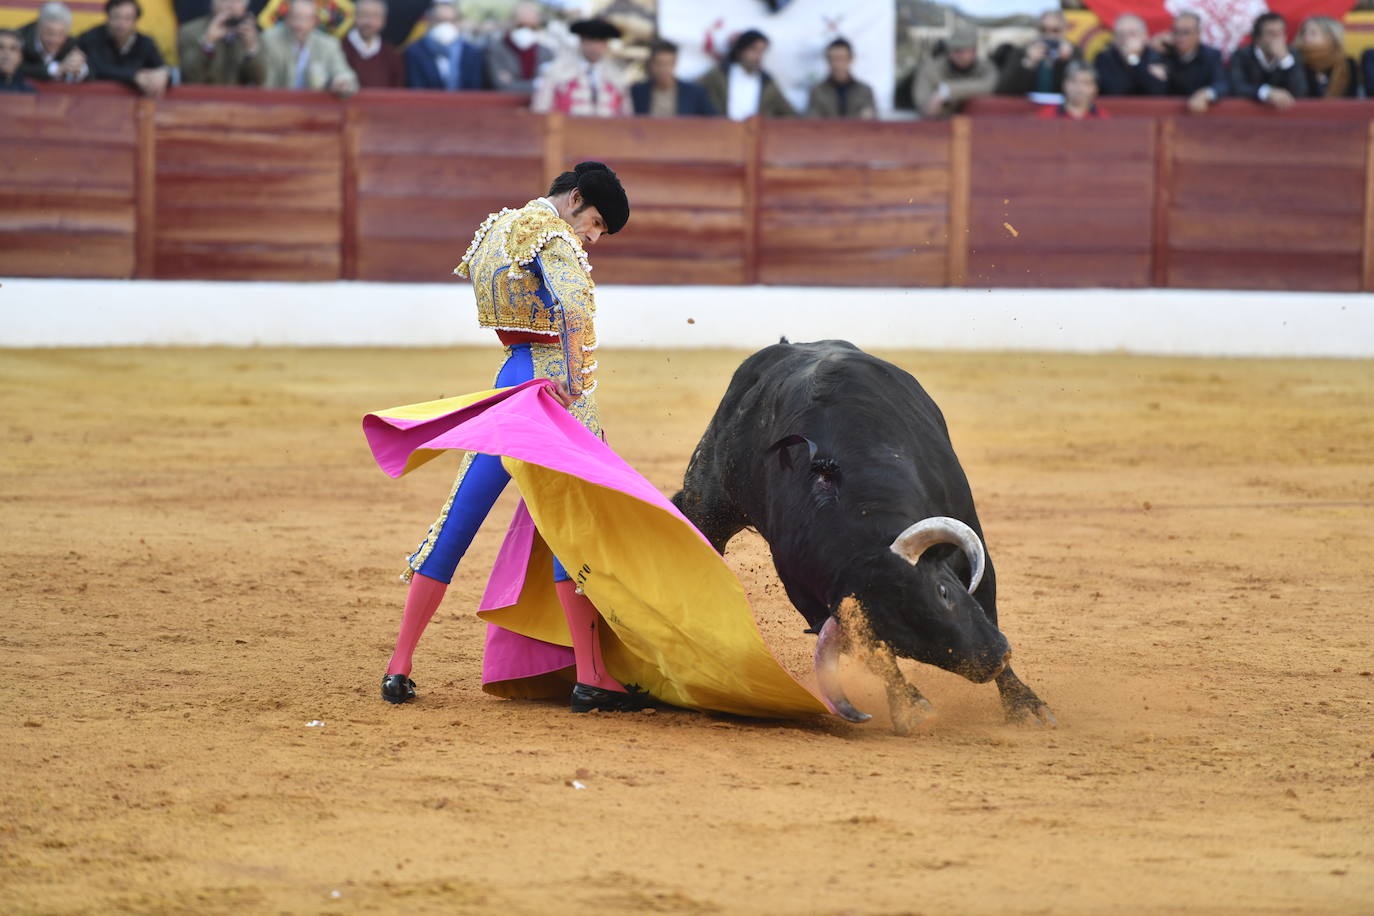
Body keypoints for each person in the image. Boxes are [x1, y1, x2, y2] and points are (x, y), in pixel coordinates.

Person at [381, 161, 646, 714]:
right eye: (594, 223)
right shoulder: (553, 236)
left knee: (458, 518)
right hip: (552, 392)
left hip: (509, 383)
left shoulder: (497, 229)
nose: (591, 239)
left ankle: (399, 664)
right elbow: (574, 309)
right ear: (574, 199)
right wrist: (573, 387)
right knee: (567, 526)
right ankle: (593, 675)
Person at [530, 17, 629, 116]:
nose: (594, 46)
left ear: (606, 44)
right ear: (581, 42)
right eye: (590, 40)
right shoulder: (557, 72)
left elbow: (625, 114)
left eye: (600, 41)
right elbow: (541, 108)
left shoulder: (616, 76)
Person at [260, 0, 358, 95]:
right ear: (287, 18)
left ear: (315, 21)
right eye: (296, 17)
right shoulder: (270, 40)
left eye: (305, 19)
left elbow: (343, 72)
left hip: (315, 108)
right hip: (277, 105)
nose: (299, 24)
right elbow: (265, 83)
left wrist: (342, 82)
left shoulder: (328, 44)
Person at [77, 0, 169, 97]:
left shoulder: (145, 43)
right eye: (116, 17)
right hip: (95, 99)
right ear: (107, 17)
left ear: (135, 21)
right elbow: (98, 68)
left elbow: (161, 69)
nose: (121, 24)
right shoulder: (91, 38)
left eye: (128, 18)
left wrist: (163, 74)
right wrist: (134, 77)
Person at [699, 29, 795, 119]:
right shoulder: (717, 75)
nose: (758, 56)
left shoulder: (767, 82)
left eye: (762, 51)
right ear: (740, 50)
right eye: (753, 50)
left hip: (755, 134)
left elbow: (790, 114)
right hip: (721, 132)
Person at [911, 24, 997, 119]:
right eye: (955, 50)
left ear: (974, 51)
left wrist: (946, 91)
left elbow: (989, 86)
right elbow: (925, 107)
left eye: (964, 50)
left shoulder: (986, 68)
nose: (959, 55)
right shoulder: (931, 69)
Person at [1153, 11, 1228, 113]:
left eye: (1186, 32)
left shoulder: (1211, 56)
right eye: (1176, 32)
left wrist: (1205, 94)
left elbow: (1222, 84)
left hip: (1201, 118)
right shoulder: (1164, 55)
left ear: (1198, 34)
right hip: (1168, 116)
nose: (1180, 37)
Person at [177, 0, 264, 86]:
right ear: (213, 4)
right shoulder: (189, 32)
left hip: (239, 98)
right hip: (203, 97)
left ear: (245, 6)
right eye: (224, 1)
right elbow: (190, 76)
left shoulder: (253, 34)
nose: (230, 6)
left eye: (237, 1)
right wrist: (208, 43)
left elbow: (260, 80)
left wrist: (251, 49)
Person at [1229, 12, 1307, 108]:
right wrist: (1267, 92)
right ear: (1258, 38)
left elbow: (1300, 91)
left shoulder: (1293, 55)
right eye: (1271, 33)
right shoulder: (1242, 56)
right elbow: (1237, 87)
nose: (1277, 38)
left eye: (1280, 32)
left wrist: (1285, 60)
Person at [996, 8, 1080, 95]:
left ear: (1064, 30)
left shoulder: (1074, 52)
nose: (1048, 35)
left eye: (1055, 30)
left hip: (1058, 107)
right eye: (1043, 30)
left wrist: (1067, 62)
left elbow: (1080, 92)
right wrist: (1028, 64)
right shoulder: (1021, 52)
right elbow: (1003, 91)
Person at [404, 0, 483, 91]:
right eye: (440, 21)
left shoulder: (471, 52)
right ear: (430, 21)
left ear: (458, 23)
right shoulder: (414, 51)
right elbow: (416, 86)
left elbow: (474, 87)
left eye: (451, 21)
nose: (446, 25)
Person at [630, 38, 714, 116]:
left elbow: (712, 121)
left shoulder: (694, 93)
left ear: (675, 63)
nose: (663, 69)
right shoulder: (638, 92)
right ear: (651, 64)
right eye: (659, 64)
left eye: (668, 64)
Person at [485, 1, 552, 94]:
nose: (526, 30)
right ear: (512, 21)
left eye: (531, 26)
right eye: (521, 25)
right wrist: (535, 84)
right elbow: (502, 85)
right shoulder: (496, 48)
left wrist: (515, 83)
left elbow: (550, 85)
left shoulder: (545, 52)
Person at [1093, 13, 1167, 96]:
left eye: (1132, 34)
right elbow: (1115, 91)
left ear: (1145, 36)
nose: (1126, 39)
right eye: (1120, 34)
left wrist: (1133, 59)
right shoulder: (1104, 59)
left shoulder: (1158, 57)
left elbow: (1156, 91)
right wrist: (1133, 57)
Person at [806, 37, 876, 118]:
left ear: (851, 59)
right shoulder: (817, 91)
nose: (837, 64)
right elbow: (813, 120)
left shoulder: (864, 91)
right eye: (832, 59)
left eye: (841, 58)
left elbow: (871, 119)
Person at [19, 1, 88, 83]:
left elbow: (93, 74)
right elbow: (17, 69)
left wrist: (80, 68)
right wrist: (56, 69)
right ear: (38, 27)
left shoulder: (71, 44)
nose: (54, 39)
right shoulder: (20, 39)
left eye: (60, 34)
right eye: (49, 32)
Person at [341, 0, 402, 88]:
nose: (369, 22)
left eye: (375, 16)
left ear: (383, 20)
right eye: (364, 15)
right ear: (355, 17)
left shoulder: (391, 54)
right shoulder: (339, 48)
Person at [1295, 16, 1357, 98]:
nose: (1306, 37)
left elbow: (1351, 97)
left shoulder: (1348, 64)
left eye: (1313, 33)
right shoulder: (1295, 60)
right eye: (1304, 32)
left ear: (1330, 37)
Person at [1037, 62, 1108, 119]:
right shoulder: (1045, 116)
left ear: (1095, 88)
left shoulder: (1103, 118)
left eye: (1086, 83)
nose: (1079, 88)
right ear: (1064, 84)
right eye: (1073, 81)